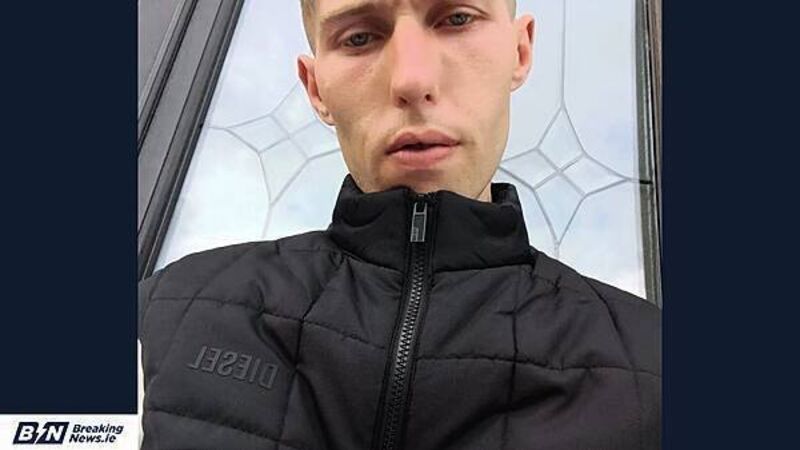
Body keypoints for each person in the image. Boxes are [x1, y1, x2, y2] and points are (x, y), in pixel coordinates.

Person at [138, 0, 661, 448]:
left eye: (457, 19)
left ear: (519, 53)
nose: (412, 80)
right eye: (359, 37)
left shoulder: (657, 367)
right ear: (316, 88)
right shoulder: (156, 320)